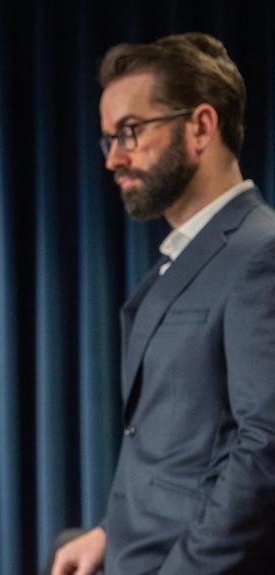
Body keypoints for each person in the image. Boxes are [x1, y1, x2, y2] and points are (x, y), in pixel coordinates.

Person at [52, 33, 275, 574]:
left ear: (201, 126)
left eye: (130, 132)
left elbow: (265, 450)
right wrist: (107, 534)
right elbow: (183, 449)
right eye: (108, 139)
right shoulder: (184, 256)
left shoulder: (260, 252)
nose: (114, 158)